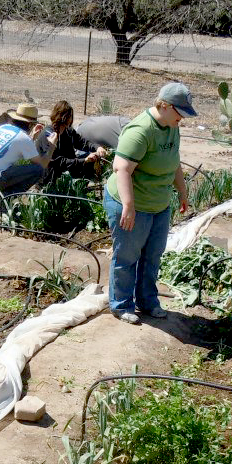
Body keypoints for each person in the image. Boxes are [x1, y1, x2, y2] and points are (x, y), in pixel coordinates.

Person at [104, 82, 194, 324]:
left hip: (159, 204)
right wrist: (128, 206)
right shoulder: (140, 130)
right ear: (163, 106)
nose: (182, 119)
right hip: (132, 203)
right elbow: (121, 169)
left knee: (153, 255)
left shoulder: (171, 126)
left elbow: (174, 161)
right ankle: (121, 305)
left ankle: (147, 300)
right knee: (127, 255)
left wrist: (182, 192)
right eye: (180, 113)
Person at [0, 103, 53, 209]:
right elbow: (42, 164)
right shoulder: (23, 138)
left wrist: (32, 138)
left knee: (8, 168)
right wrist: (52, 146)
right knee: (38, 170)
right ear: (31, 124)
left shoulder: (3, 127)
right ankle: (3, 198)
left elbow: (17, 146)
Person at [44, 100, 109, 186]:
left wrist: (97, 148)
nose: (70, 119)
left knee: (92, 162)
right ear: (60, 116)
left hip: (70, 167)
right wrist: (84, 160)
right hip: (54, 174)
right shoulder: (49, 134)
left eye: (70, 116)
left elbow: (82, 143)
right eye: (68, 116)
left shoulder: (69, 131)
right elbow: (59, 162)